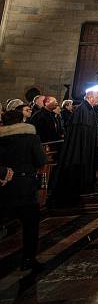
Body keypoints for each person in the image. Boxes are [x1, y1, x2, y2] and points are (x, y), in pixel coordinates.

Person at [0, 110, 48, 271]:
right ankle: (28, 259)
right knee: (30, 224)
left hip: (4, 186)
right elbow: (41, 160)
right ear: (21, 119)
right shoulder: (30, 137)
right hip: (25, 184)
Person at [50, 91, 98, 207]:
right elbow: (81, 133)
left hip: (87, 147)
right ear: (90, 97)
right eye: (97, 97)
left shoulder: (89, 109)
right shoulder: (82, 110)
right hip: (80, 148)